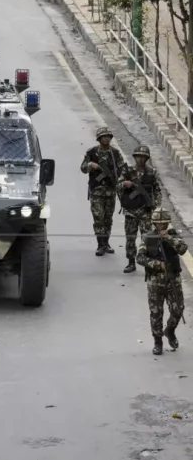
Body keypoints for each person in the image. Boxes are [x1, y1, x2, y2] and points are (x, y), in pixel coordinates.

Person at [136, 208, 188, 356]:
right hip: (155, 281)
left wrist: (168, 238)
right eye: (158, 224)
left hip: (173, 279)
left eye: (164, 223)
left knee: (178, 310)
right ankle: (157, 341)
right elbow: (140, 258)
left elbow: (183, 249)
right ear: (154, 224)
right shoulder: (148, 237)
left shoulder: (173, 236)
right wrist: (157, 264)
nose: (161, 226)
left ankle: (170, 330)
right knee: (156, 313)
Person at [80, 126, 125, 256]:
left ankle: (106, 242)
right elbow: (83, 168)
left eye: (108, 136)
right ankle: (100, 244)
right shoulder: (92, 153)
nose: (106, 139)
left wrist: (120, 180)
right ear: (99, 139)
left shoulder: (115, 153)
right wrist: (91, 165)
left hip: (110, 191)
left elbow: (122, 169)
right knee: (98, 218)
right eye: (104, 137)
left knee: (108, 219)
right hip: (97, 191)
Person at [117, 145, 161, 273]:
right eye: (138, 157)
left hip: (145, 211)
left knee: (147, 239)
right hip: (131, 211)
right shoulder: (128, 171)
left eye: (143, 157)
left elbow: (157, 191)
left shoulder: (151, 173)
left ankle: (148, 264)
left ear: (146, 158)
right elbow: (118, 186)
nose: (140, 159)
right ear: (135, 157)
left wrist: (156, 206)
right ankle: (131, 262)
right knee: (130, 238)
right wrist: (125, 184)